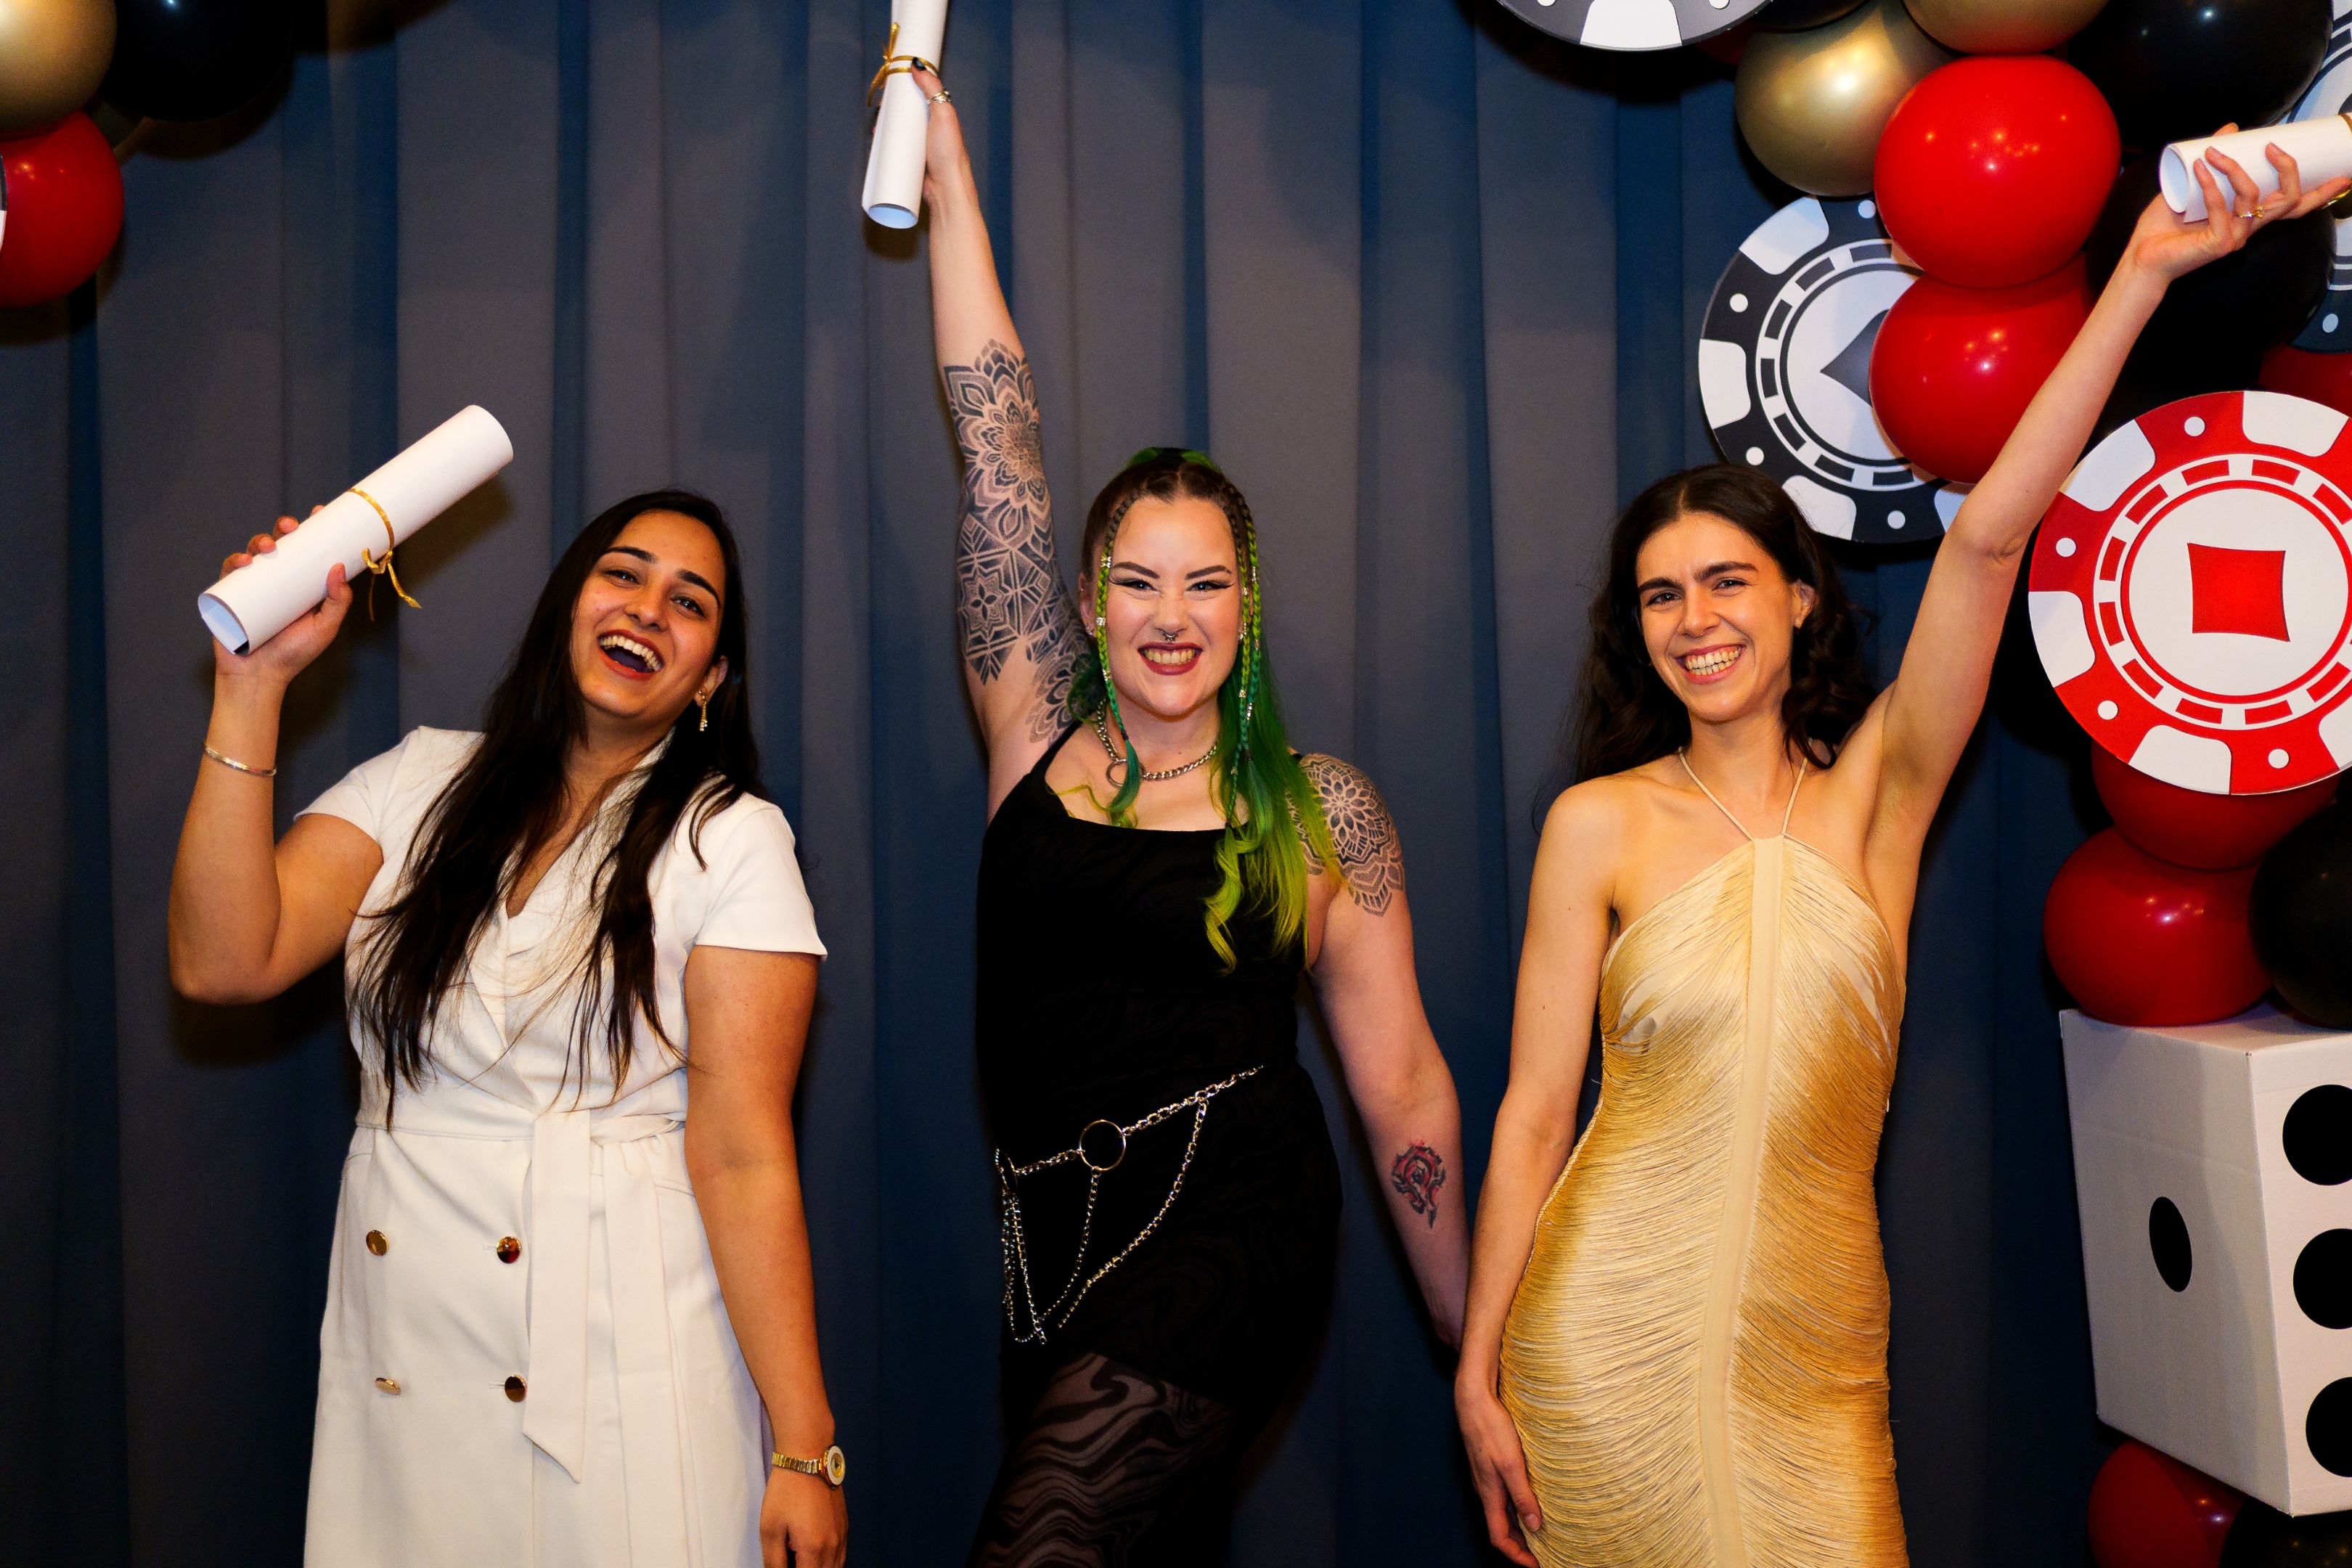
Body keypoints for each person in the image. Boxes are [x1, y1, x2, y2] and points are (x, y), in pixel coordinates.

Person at [1453, 143, 2349, 1567]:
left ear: (1803, 602)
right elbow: (1531, 1118)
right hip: (1600, 1333)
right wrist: (1477, 1368)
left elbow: (1989, 540)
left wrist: (2138, 275)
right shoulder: (1599, 823)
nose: (1698, 620)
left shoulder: (1880, 797)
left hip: (1818, 1368)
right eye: (1662, 596)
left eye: (1729, 581)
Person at [913, 71, 1469, 1564]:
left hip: (1236, 1220)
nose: (1174, 616)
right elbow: (997, 446)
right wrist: (949, 184)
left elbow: (1403, 1084)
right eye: (1140, 582)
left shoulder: (1320, 808)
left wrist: (1470, 1338)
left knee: (1038, 1545)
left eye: (1208, 581)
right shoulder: (1030, 730)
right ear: (1085, 607)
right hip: (1054, 1240)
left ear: (1248, 607)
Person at [167, 491, 846, 1568]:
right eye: (622, 574)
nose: (648, 610)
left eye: (691, 602)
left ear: (711, 678)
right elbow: (221, 961)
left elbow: (744, 1154)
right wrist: (252, 686)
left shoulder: (735, 839)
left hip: (623, 1363)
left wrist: (805, 1448)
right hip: (408, 1361)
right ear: (567, 604)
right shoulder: (417, 780)